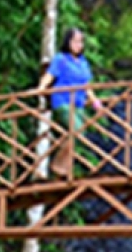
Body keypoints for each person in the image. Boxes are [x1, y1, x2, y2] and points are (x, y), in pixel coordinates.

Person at [37, 28, 105, 178]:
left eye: (81, 41)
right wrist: (40, 89)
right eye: (75, 41)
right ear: (68, 42)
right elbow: (49, 75)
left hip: (78, 103)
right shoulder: (61, 59)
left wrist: (95, 102)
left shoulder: (83, 63)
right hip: (63, 101)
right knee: (76, 129)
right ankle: (59, 166)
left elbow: (86, 85)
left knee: (79, 135)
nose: (78, 45)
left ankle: (61, 166)